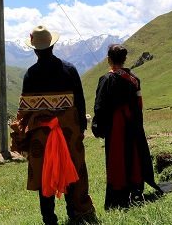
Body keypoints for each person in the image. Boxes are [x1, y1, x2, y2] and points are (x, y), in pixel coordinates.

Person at [10, 25, 96, 225]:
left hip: (41, 133)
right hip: (68, 130)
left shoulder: (30, 74)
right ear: (52, 46)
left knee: (44, 175)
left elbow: (25, 111)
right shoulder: (70, 70)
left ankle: (49, 219)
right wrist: (80, 128)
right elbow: (80, 102)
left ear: (34, 49)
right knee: (72, 169)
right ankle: (74, 213)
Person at [92, 44, 163, 210]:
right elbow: (139, 103)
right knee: (134, 154)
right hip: (132, 121)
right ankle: (135, 188)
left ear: (109, 59)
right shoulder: (134, 78)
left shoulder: (107, 79)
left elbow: (100, 106)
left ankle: (118, 195)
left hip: (116, 125)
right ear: (124, 59)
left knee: (117, 157)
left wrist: (98, 126)